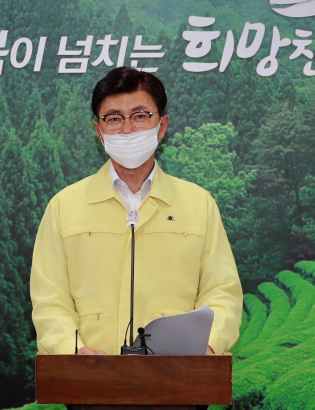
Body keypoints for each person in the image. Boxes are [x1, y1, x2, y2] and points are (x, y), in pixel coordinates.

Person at [30, 67, 243, 355]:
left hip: (179, 373)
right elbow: (49, 299)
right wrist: (73, 351)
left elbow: (222, 292)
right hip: (88, 375)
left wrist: (208, 346)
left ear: (162, 126)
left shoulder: (199, 204)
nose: (128, 129)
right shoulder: (64, 207)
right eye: (114, 119)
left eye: (140, 116)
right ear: (99, 131)